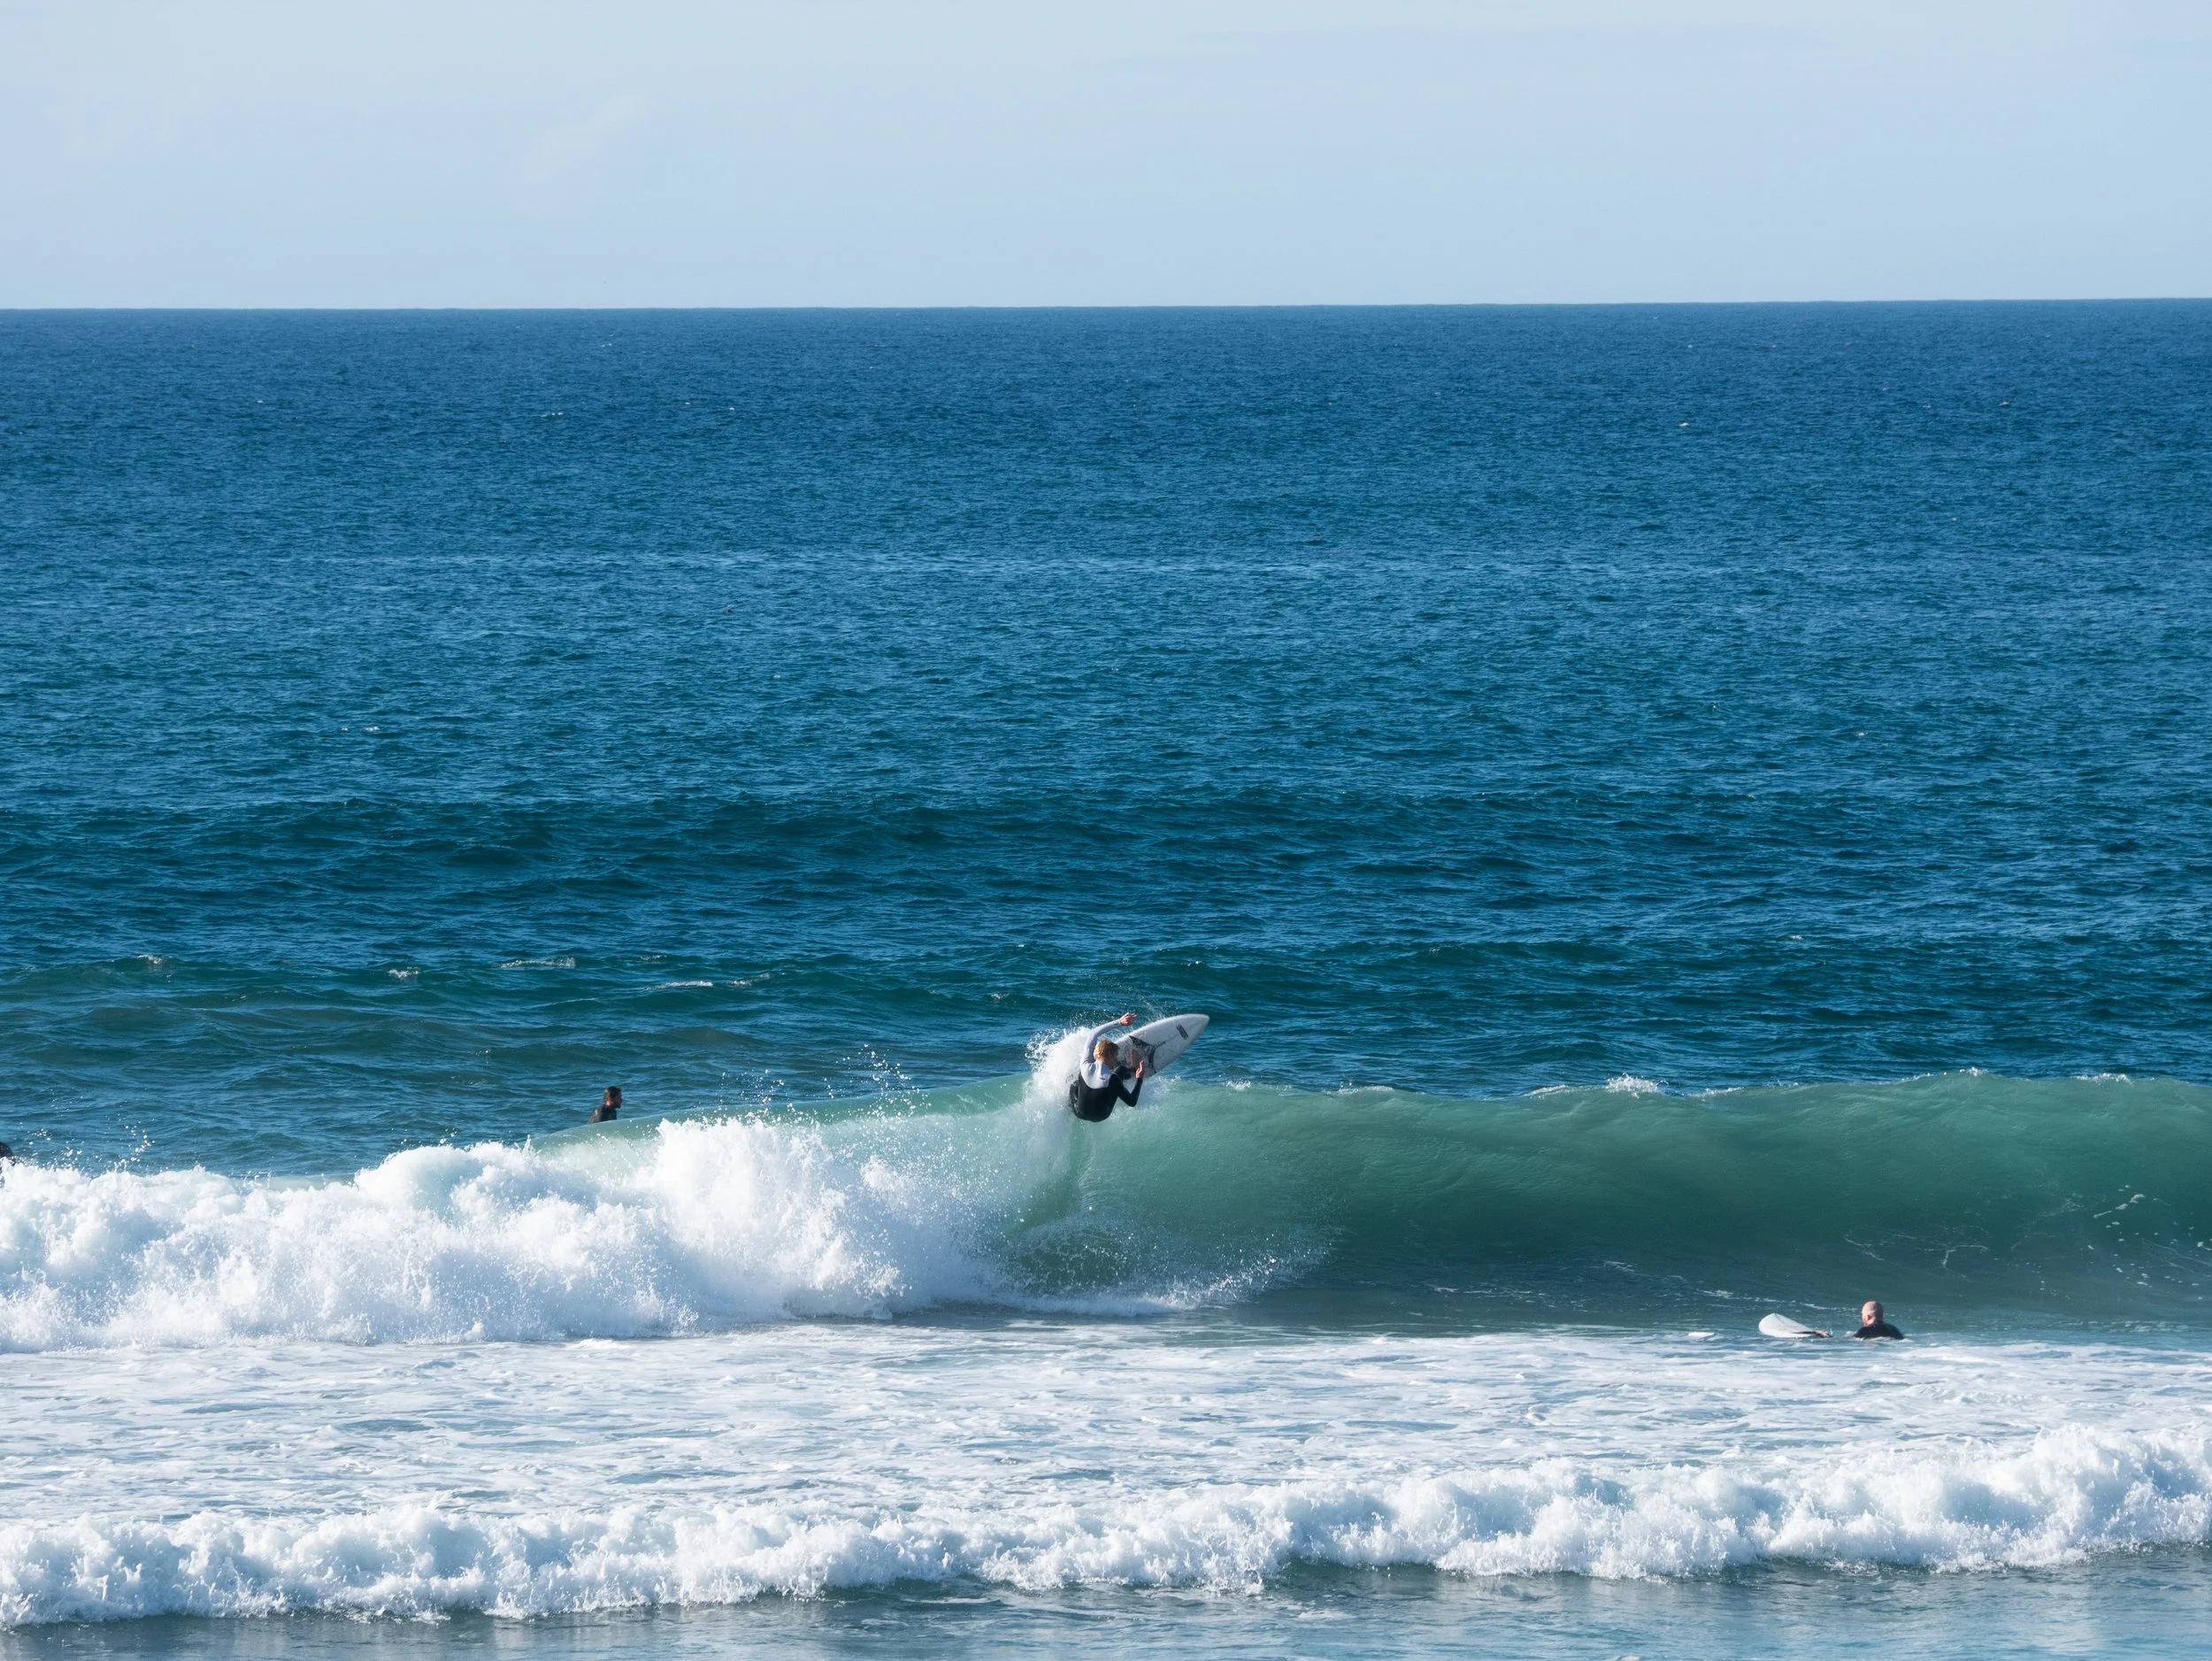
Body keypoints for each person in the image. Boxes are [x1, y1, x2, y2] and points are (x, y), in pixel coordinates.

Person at [1070, 1014, 1146, 1122]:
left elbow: (1093, 1033)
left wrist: (1119, 1022)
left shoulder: (1084, 1065)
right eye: (1115, 1056)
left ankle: (1069, 1108)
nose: (1115, 1060)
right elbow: (1132, 1102)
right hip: (1100, 1116)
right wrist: (1139, 1079)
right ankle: (1135, 1070)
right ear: (1109, 1055)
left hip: (1079, 1112)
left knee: (1074, 1084)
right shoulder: (1112, 1079)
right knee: (1120, 1070)